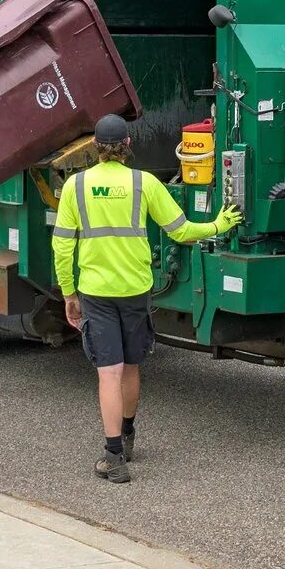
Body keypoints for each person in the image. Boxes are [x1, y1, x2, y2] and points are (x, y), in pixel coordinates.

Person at [52, 114, 242, 484]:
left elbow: (62, 246)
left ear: (94, 149)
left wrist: (68, 292)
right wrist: (220, 224)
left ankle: (113, 457)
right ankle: (128, 434)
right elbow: (182, 231)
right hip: (136, 288)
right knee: (132, 366)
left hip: (97, 290)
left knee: (109, 372)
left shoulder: (75, 187)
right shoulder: (144, 183)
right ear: (127, 147)